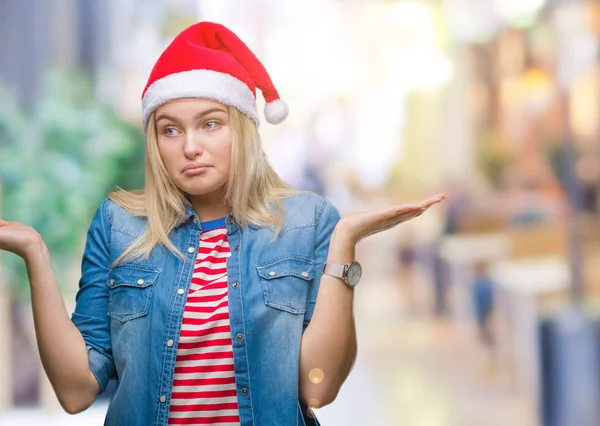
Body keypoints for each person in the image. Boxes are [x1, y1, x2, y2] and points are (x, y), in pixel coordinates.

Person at [0, 22, 446, 426]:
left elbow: (318, 385)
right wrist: (34, 253)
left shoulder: (308, 222)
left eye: (210, 124)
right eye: (170, 130)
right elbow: (76, 392)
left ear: (243, 130)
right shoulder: (118, 225)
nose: (190, 146)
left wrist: (344, 248)